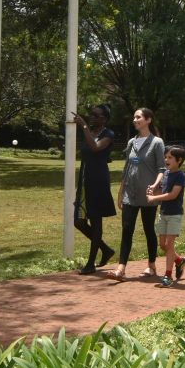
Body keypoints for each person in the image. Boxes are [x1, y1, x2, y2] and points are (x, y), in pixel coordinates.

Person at [114, 107, 165, 280]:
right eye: (134, 117)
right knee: (127, 229)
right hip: (130, 193)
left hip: (148, 194)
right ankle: (121, 268)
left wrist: (156, 184)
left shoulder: (157, 142)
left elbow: (161, 168)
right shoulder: (131, 143)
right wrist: (121, 192)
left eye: (138, 117)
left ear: (148, 120)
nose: (135, 120)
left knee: (148, 229)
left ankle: (151, 265)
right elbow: (127, 167)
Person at [71, 104, 116, 274]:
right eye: (91, 114)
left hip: (98, 181)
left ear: (104, 119)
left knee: (96, 221)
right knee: (79, 221)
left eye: (95, 115)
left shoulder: (108, 134)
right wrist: (84, 127)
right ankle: (105, 249)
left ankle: (91, 263)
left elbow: (95, 148)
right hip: (85, 180)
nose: (91, 117)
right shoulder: (90, 131)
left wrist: (83, 126)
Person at [146, 146, 185, 286]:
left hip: (174, 215)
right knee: (163, 246)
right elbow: (162, 191)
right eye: (166, 157)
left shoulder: (180, 176)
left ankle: (168, 276)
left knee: (169, 245)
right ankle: (179, 261)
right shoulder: (165, 174)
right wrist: (153, 191)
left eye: (170, 157)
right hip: (163, 213)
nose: (166, 160)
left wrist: (154, 199)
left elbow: (172, 195)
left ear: (179, 160)